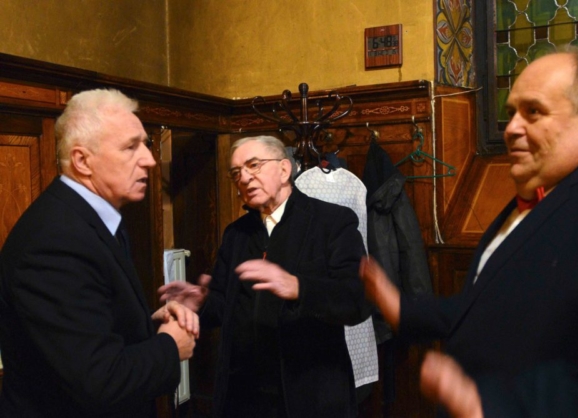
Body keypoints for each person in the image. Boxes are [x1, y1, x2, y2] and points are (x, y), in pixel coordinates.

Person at [361, 47, 578, 417]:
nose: (511, 129)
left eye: (533, 112)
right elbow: (501, 305)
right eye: (511, 113)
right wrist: (406, 311)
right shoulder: (553, 192)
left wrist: (492, 408)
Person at [0, 88, 199, 417]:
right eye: (130, 147)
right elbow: (99, 381)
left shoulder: (91, 219)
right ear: (82, 161)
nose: (149, 160)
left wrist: (150, 329)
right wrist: (169, 345)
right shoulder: (55, 240)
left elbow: (83, 336)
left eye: (145, 144)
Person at [159, 135, 371, 417]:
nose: (244, 178)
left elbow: (357, 300)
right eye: (236, 172)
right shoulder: (236, 234)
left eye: (254, 165)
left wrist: (298, 287)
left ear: (284, 170)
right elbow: (224, 305)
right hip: (245, 398)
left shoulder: (331, 222)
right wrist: (202, 302)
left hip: (309, 395)